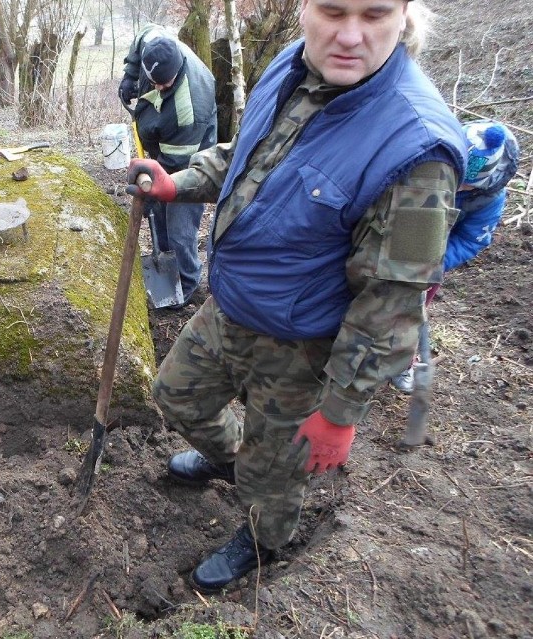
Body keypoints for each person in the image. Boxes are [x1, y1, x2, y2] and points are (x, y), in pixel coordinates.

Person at [126, 0, 468, 594]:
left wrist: (340, 413)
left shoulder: (418, 151)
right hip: (232, 305)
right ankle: (229, 456)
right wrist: (177, 182)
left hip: (302, 345)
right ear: (306, 9)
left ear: (405, 15)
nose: (351, 35)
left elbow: (391, 302)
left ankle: (263, 540)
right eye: (333, 11)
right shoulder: (290, 67)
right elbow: (249, 158)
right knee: (175, 396)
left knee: (274, 477)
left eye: (375, 14)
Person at [392, 120, 520, 392]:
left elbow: (471, 239)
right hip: (390, 239)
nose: (459, 189)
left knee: (410, 313)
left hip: (429, 261)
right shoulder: (422, 160)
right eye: (456, 182)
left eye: (467, 187)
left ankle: (402, 362)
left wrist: (434, 263)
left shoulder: (489, 199)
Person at [119, 25, 217, 306]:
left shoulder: (190, 108)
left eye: (165, 84)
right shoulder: (155, 44)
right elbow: (142, 35)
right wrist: (130, 74)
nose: (158, 87)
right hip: (164, 139)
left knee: (179, 221)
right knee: (160, 214)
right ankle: (164, 259)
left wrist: (154, 191)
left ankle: (186, 283)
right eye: (153, 81)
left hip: (189, 154)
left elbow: (174, 168)